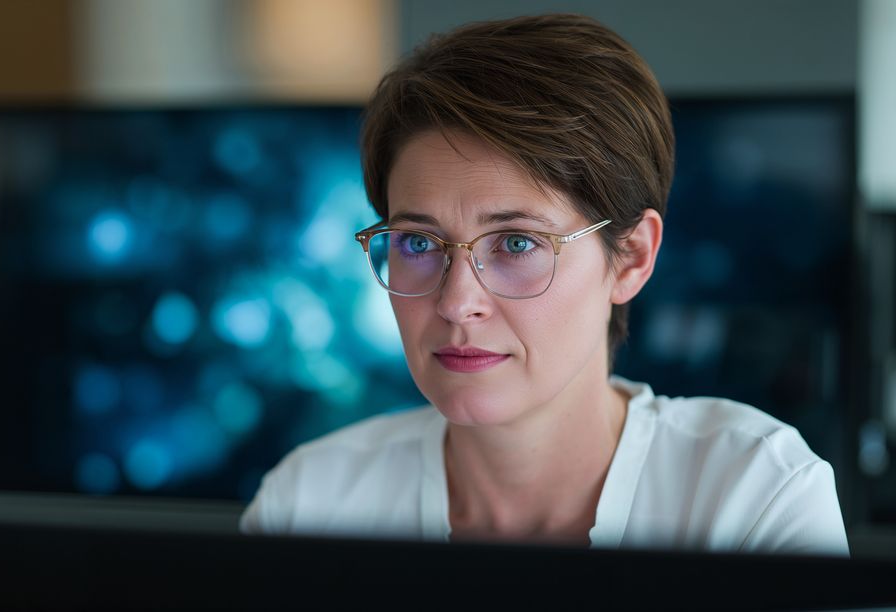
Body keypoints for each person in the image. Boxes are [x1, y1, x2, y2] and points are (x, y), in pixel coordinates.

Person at [239, 14, 849, 555]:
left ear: (632, 257)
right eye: (418, 243)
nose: (457, 303)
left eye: (517, 243)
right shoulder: (308, 504)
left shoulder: (752, 498)